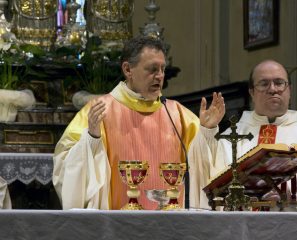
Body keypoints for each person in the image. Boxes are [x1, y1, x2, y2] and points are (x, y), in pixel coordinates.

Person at [53, 36, 200, 210]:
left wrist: (208, 132)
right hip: (114, 227)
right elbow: (65, 164)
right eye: (152, 69)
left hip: (170, 227)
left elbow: (204, 166)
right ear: (128, 69)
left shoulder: (178, 114)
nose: (160, 76)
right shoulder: (99, 110)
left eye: (162, 69)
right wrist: (91, 139)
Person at [189, 59, 297, 211]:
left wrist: (290, 190)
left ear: (290, 90)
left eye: (279, 83)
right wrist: (207, 131)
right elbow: (206, 176)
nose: (272, 89)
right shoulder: (234, 136)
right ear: (251, 92)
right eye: (264, 83)